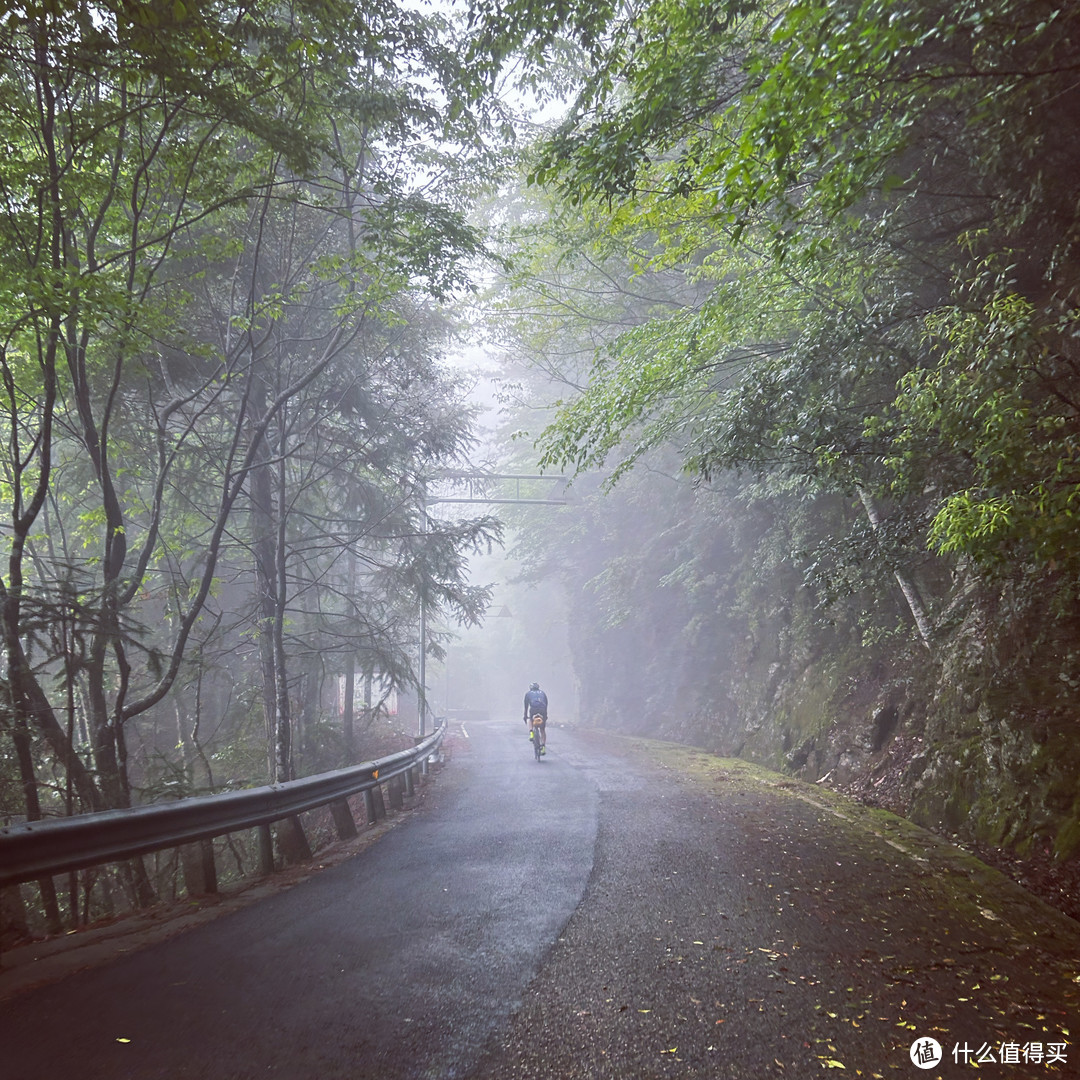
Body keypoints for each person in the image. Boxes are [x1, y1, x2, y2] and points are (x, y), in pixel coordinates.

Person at [523, 681, 548, 754]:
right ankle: (543, 747)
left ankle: (531, 733)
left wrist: (525, 716)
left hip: (533, 709)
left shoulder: (528, 694)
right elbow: (546, 704)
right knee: (542, 730)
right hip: (543, 709)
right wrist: (545, 716)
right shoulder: (543, 693)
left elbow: (526, 707)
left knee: (531, 719)